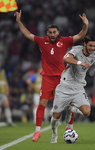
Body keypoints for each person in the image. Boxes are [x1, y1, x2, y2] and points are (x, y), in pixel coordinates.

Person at [14, 10, 89, 142]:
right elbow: (27, 34)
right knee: (42, 102)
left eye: (54, 32)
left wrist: (85, 25)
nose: (52, 34)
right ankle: (37, 131)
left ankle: (69, 127)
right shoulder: (42, 41)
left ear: (58, 33)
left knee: (70, 103)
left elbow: (80, 36)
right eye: (50, 32)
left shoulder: (64, 41)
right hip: (48, 77)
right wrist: (19, 21)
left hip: (63, 78)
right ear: (47, 33)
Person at [50, 35, 95, 143]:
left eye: (94, 46)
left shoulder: (94, 55)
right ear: (85, 44)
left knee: (87, 112)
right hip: (64, 87)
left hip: (78, 88)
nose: (92, 48)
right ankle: (54, 134)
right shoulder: (77, 50)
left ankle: (70, 108)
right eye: (90, 45)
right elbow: (65, 58)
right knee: (56, 117)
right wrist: (80, 63)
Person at [0, 61, 15, 126]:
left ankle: (9, 121)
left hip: (3, 92)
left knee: (7, 105)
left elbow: (6, 81)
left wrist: (7, 90)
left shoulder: (3, 71)